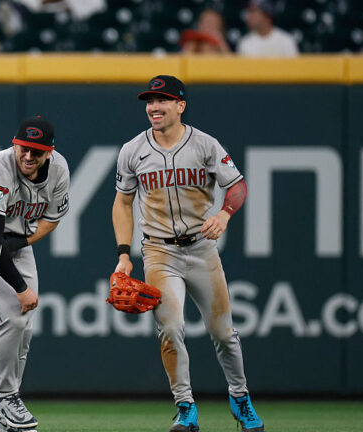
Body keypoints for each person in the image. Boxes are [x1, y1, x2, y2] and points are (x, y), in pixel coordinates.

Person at [112, 76, 264, 432]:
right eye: (150, 101)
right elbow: (122, 201)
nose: (154, 106)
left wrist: (225, 213)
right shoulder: (133, 150)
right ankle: (185, 407)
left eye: (162, 100)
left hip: (201, 250)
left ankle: (240, 398)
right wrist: (123, 253)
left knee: (224, 333)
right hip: (159, 251)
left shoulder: (205, 145)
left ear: (181, 105)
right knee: (170, 327)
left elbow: (237, 186)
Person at [0, 116, 69, 432]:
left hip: (15, 245)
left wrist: (23, 240)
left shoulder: (59, 170)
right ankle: (6, 398)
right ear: (14, 144)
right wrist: (20, 288)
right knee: (14, 317)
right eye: (23, 148)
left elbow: (52, 218)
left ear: (50, 152)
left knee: (25, 328)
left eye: (37, 151)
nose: (28, 157)